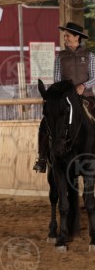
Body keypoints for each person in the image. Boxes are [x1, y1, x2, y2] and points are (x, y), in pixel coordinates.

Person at [33, 22, 95, 173]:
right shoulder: (60, 56)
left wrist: (83, 86)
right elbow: (57, 80)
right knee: (45, 123)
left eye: (67, 36)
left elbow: (94, 77)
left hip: (87, 97)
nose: (65, 38)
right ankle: (42, 158)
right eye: (64, 36)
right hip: (66, 99)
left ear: (77, 37)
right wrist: (67, 91)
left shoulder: (90, 56)